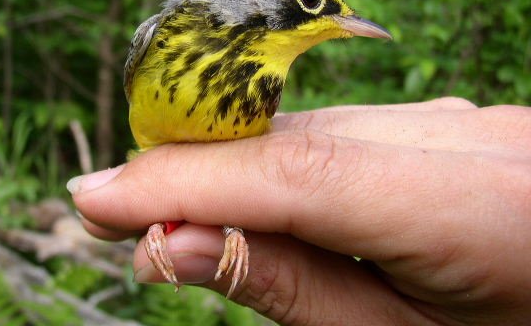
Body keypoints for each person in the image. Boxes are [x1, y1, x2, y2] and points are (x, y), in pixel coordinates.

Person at [67, 98, 531, 325]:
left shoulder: (261, 86)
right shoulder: (164, 35)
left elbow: (238, 179)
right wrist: (156, 226)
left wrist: (233, 224)